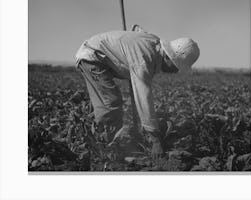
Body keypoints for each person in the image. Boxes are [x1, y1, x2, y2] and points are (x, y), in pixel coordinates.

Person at [75, 27, 200, 158]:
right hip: (93, 57)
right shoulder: (144, 60)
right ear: (169, 57)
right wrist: (155, 138)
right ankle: (106, 149)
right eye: (176, 66)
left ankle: (106, 139)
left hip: (100, 56)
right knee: (110, 102)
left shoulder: (154, 44)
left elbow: (138, 30)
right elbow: (143, 97)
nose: (175, 71)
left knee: (107, 100)